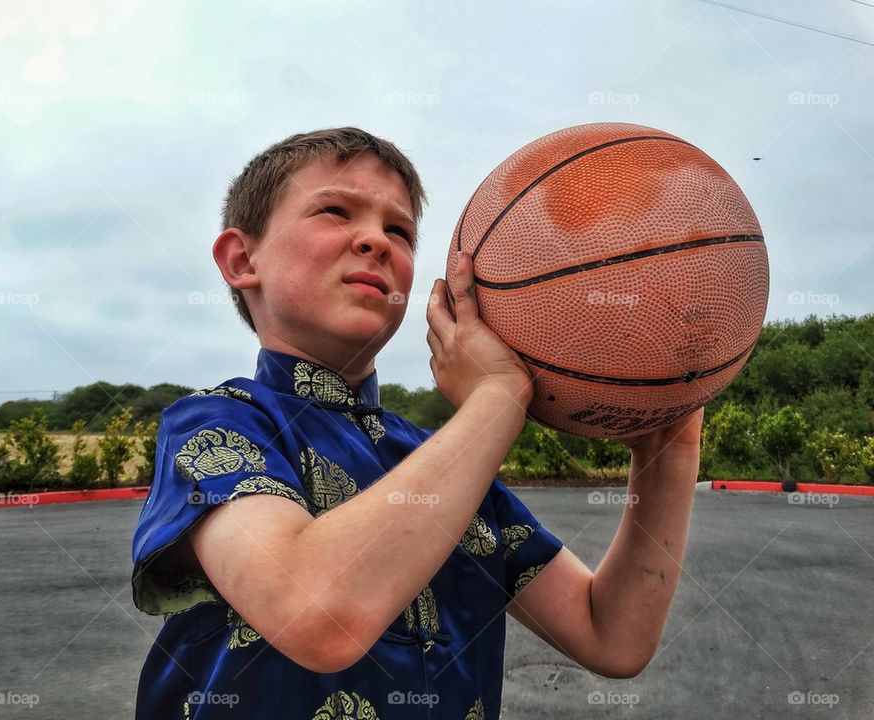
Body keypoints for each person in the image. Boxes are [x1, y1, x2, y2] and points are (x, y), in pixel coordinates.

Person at [130, 127, 704, 719]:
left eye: (399, 231)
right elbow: (318, 616)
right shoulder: (218, 425)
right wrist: (498, 396)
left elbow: (611, 635)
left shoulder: (443, 461)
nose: (376, 240)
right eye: (335, 210)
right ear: (242, 259)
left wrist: (671, 450)